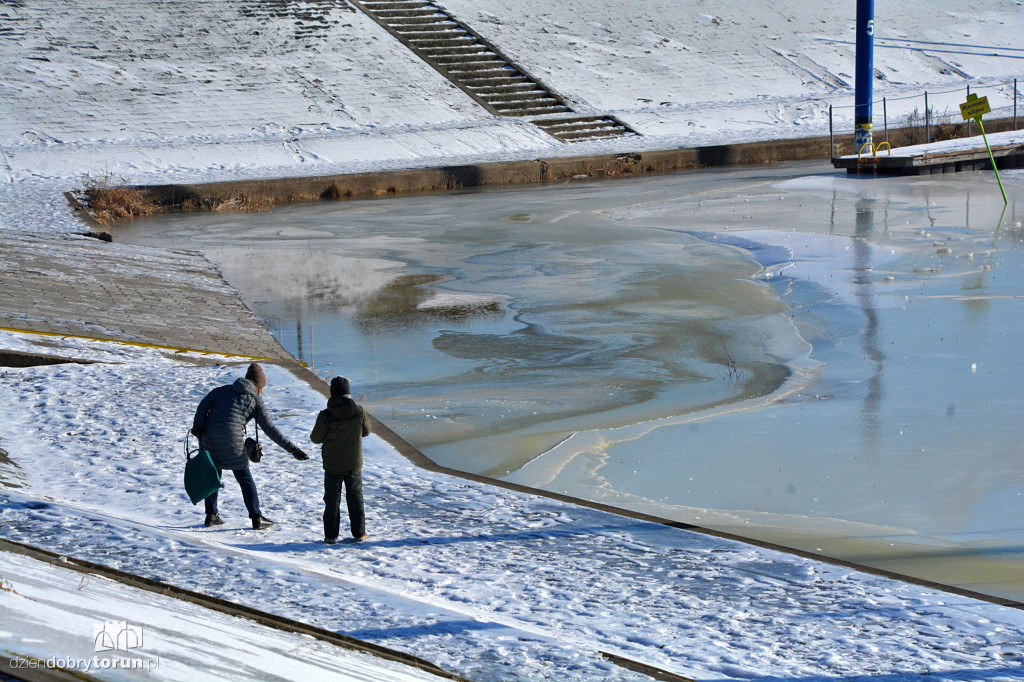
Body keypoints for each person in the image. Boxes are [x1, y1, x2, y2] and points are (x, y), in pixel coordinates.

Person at [192, 363, 309, 529]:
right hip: (232, 443)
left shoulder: (221, 390)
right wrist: (293, 449)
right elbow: (270, 429)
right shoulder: (255, 400)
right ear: (259, 385)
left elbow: (202, 407)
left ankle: (211, 515)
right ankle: (256, 517)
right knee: (245, 478)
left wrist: (198, 428)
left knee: (213, 475)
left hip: (208, 438)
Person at [310, 376, 372, 544]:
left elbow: (315, 438)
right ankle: (359, 533)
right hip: (353, 463)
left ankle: (330, 536)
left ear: (332, 393)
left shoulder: (326, 415)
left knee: (332, 500)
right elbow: (367, 431)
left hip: (332, 465)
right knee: (355, 497)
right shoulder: (359, 411)